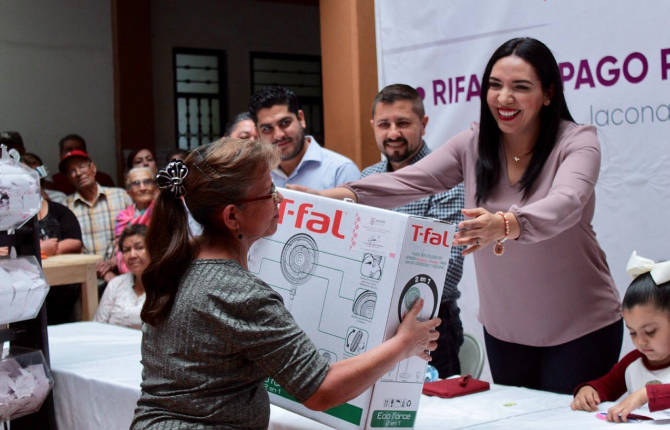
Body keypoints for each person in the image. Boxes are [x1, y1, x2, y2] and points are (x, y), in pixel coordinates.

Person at [293, 37, 623, 394]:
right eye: (495, 85)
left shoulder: (577, 142)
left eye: (520, 87)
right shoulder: (474, 144)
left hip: (580, 327)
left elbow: (568, 201)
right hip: (506, 330)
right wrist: (328, 196)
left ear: (548, 93)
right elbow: (408, 180)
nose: (504, 98)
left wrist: (504, 224)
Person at [130, 138, 439, 429]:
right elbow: (321, 390)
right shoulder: (239, 293)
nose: (279, 199)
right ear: (232, 217)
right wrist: (404, 344)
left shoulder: (177, 261)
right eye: (269, 192)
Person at [362, 84, 466, 378]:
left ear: (423, 123)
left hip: (430, 321)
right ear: (373, 126)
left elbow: (447, 266)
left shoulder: (447, 178)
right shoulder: (368, 178)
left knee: (436, 407)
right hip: (373, 317)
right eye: (384, 124)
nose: (393, 133)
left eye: (403, 123)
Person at [572, 251, 670, 422]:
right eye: (633, 332)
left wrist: (646, 394)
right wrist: (589, 390)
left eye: (650, 331)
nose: (641, 341)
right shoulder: (633, 362)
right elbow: (607, 385)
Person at [249, 86, 360, 189]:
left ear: (301, 119)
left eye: (285, 123)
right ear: (258, 133)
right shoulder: (255, 175)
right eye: (267, 129)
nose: (279, 135)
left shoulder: (340, 170)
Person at [61, 149, 131, 282]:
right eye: (72, 171)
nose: (78, 173)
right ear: (68, 178)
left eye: (82, 167)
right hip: (86, 279)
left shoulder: (121, 196)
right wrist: (102, 271)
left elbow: (135, 233)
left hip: (124, 272)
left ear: (93, 168)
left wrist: (114, 261)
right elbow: (69, 247)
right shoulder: (65, 207)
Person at [94, 224, 148, 329]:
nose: (132, 255)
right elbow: (98, 326)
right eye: (126, 250)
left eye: (139, 248)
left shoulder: (164, 288)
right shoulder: (116, 284)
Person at [114, 167, 157, 274]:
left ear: (154, 186)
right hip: (131, 272)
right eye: (136, 184)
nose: (142, 188)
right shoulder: (122, 218)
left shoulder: (163, 211)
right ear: (129, 192)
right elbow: (121, 252)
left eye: (147, 182)